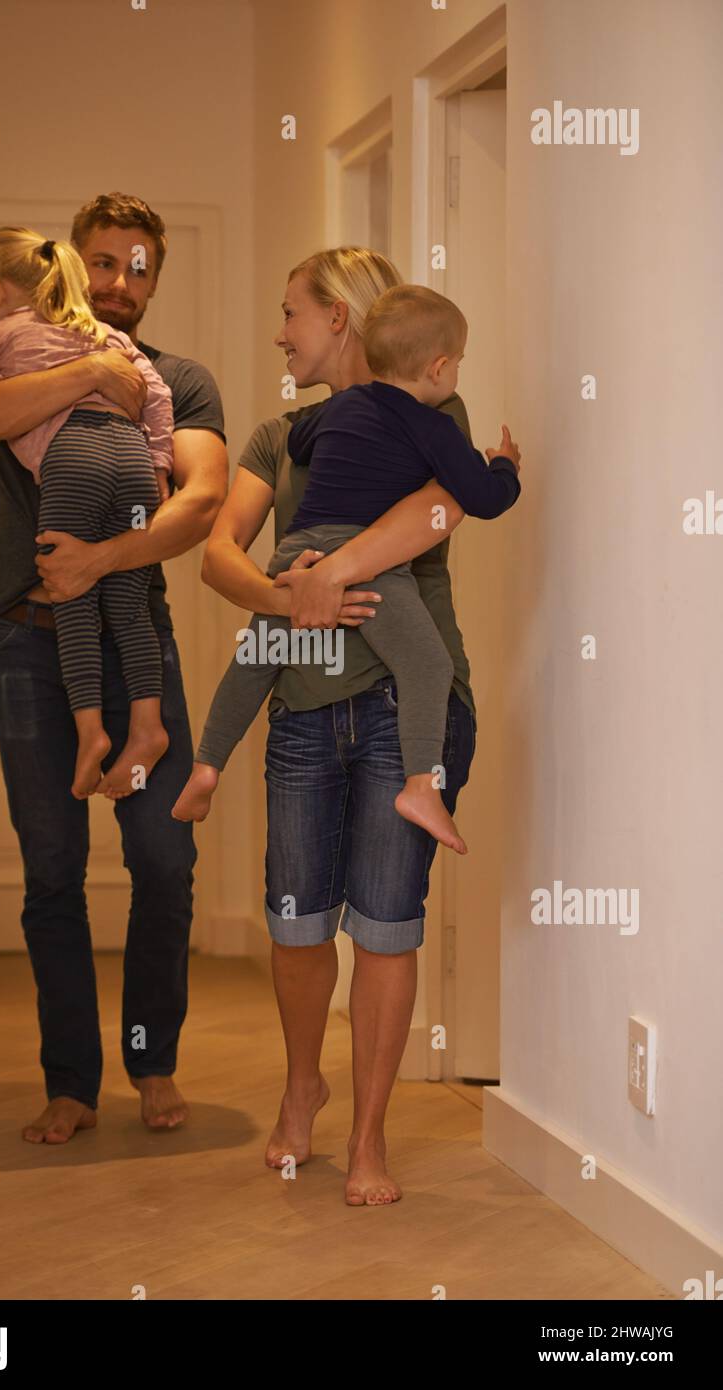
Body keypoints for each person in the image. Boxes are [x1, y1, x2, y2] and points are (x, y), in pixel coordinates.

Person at [199, 246, 518, 1205]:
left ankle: (369, 1139)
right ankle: (303, 1088)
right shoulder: (276, 436)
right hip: (300, 701)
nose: (279, 331)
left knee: (385, 923)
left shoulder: (433, 408)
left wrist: (331, 572)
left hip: (404, 704)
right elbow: (219, 555)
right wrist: (285, 593)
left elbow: (436, 512)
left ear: (338, 317)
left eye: (290, 311)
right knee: (297, 923)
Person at [0, 193, 228, 1143]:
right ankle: (71, 1081)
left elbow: (196, 506)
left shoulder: (182, 380)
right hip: (25, 642)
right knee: (52, 872)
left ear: (157, 276)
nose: (119, 282)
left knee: (164, 858)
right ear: (71, 266)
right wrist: (85, 373)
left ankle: (151, 1063)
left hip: (134, 645)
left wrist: (97, 561)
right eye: (102, 262)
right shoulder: (21, 348)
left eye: (138, 266)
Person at [174, 285, 520, 852]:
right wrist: (505, 467)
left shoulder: (331, 412)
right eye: (458, 364)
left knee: (256, 660)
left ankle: (206, 768)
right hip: (364, 562)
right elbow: (481, 498)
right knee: (426, 667)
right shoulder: (432, 425)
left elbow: (302, 443)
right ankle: (418, 787)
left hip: (296, 553)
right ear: (437, 367)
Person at [0, 225, 175, 800]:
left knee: (72, 591)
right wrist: (158, 465)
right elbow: (155, 392)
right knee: (129, 600)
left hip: (73, 459)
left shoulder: (3, 332)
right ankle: (147, 725)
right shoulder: (102, 333)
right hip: (132, 459)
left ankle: (90, 734)